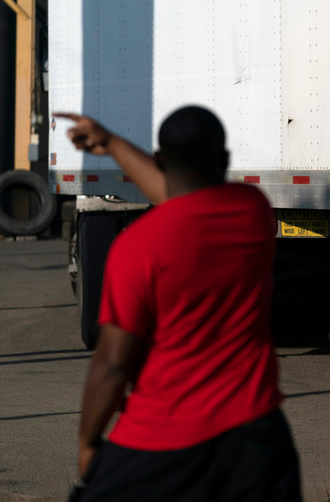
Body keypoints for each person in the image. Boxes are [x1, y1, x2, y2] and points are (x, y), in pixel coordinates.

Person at [56, 107, 302, 501]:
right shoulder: (252, 209)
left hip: (158, 443)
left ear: (160, 161)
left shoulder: (137, 247)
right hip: (256, 436)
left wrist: (88, 443)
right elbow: (182, 197)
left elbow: (112, 363)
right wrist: (113, 143)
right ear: (224, 160)